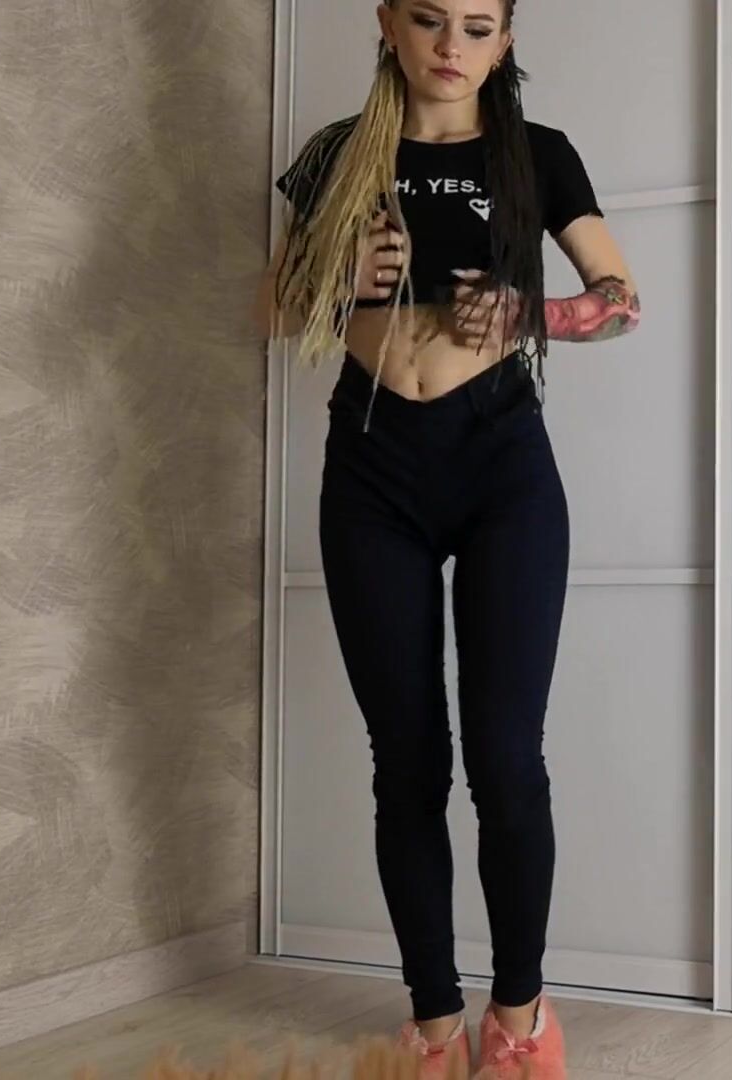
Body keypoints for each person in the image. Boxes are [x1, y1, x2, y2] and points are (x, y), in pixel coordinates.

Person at [251, 0, 639, 1075]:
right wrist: (338, 280)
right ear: (388, 24)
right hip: (374, 466)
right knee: (408, 764)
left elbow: (621, 299)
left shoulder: (535, 154)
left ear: (505, 40)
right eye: (429, 19)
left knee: (507, 760)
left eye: (477, 26)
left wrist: (529, 314)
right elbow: (270, 308)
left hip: (501, 461)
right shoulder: (339, 155)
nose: (451, 46)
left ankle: (519, 1018)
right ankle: (432, 1027)